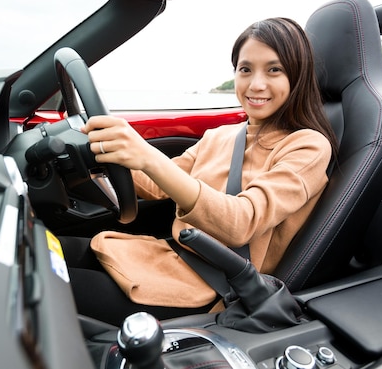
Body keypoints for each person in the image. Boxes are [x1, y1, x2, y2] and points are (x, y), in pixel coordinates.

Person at [59, 17, 338, 326]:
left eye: (274, 70)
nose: (256, 84)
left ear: (297, 76)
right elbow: (156, 185)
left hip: (210, 287)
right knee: (35, 253)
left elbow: (240, 222)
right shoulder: (222, 135)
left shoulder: (308, 147)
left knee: (39, 289)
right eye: (245, 69)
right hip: (164, 256)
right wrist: (94, 159)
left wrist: (147, 155)